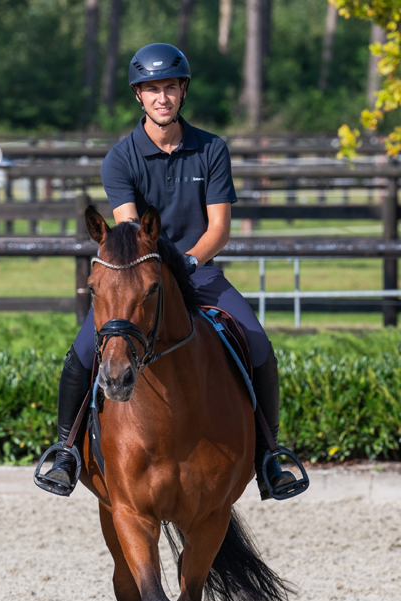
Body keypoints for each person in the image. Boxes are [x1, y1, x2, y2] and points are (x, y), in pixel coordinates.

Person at [38, 42, 297, 501]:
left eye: (170, 88)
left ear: (183, 92)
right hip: (139, 276)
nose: (163, 98)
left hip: (199, 272)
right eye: (152, 89)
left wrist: (188, 262)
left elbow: (219, 228)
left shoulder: (211, 149)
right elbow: (128, 232)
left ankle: (269, 456)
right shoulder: (121, 158)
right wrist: (154, 270)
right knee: (81, 352)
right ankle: (65, 450)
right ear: (139, 95)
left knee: (258, 344)